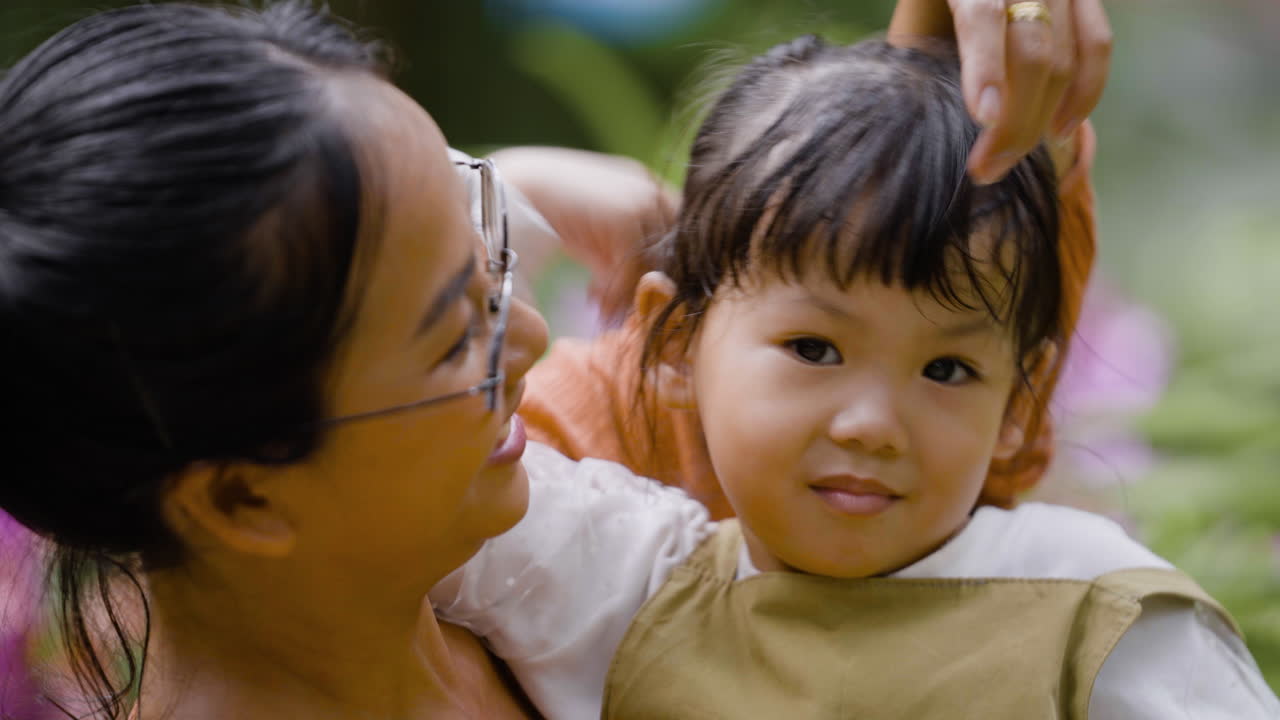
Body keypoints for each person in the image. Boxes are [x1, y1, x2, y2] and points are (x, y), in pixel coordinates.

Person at [0, 1, 1120, 718]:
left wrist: (953, 62)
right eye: (455, 332)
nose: (531, 333)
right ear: (244, 494)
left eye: (487, 233)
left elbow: (906, 371)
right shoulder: (538, 545)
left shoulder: (557, 493)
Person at [430, 36, 1280, 720]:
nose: (873, 423)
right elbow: (371, 434)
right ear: (677, 343)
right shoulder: (611, 578)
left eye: (946, 369)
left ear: (1021, 404)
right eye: (814, 349)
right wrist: (504, 195)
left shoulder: (1092, 608)